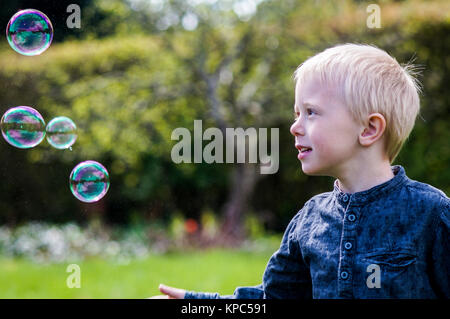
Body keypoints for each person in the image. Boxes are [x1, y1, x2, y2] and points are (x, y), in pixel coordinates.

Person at [150, 43, 449, 299]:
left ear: (369, 128)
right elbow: (273, 298)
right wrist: (197, 303)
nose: (295, 127)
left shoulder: (431, 214)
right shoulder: (310, 220)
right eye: (297, 113)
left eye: (311, 112)